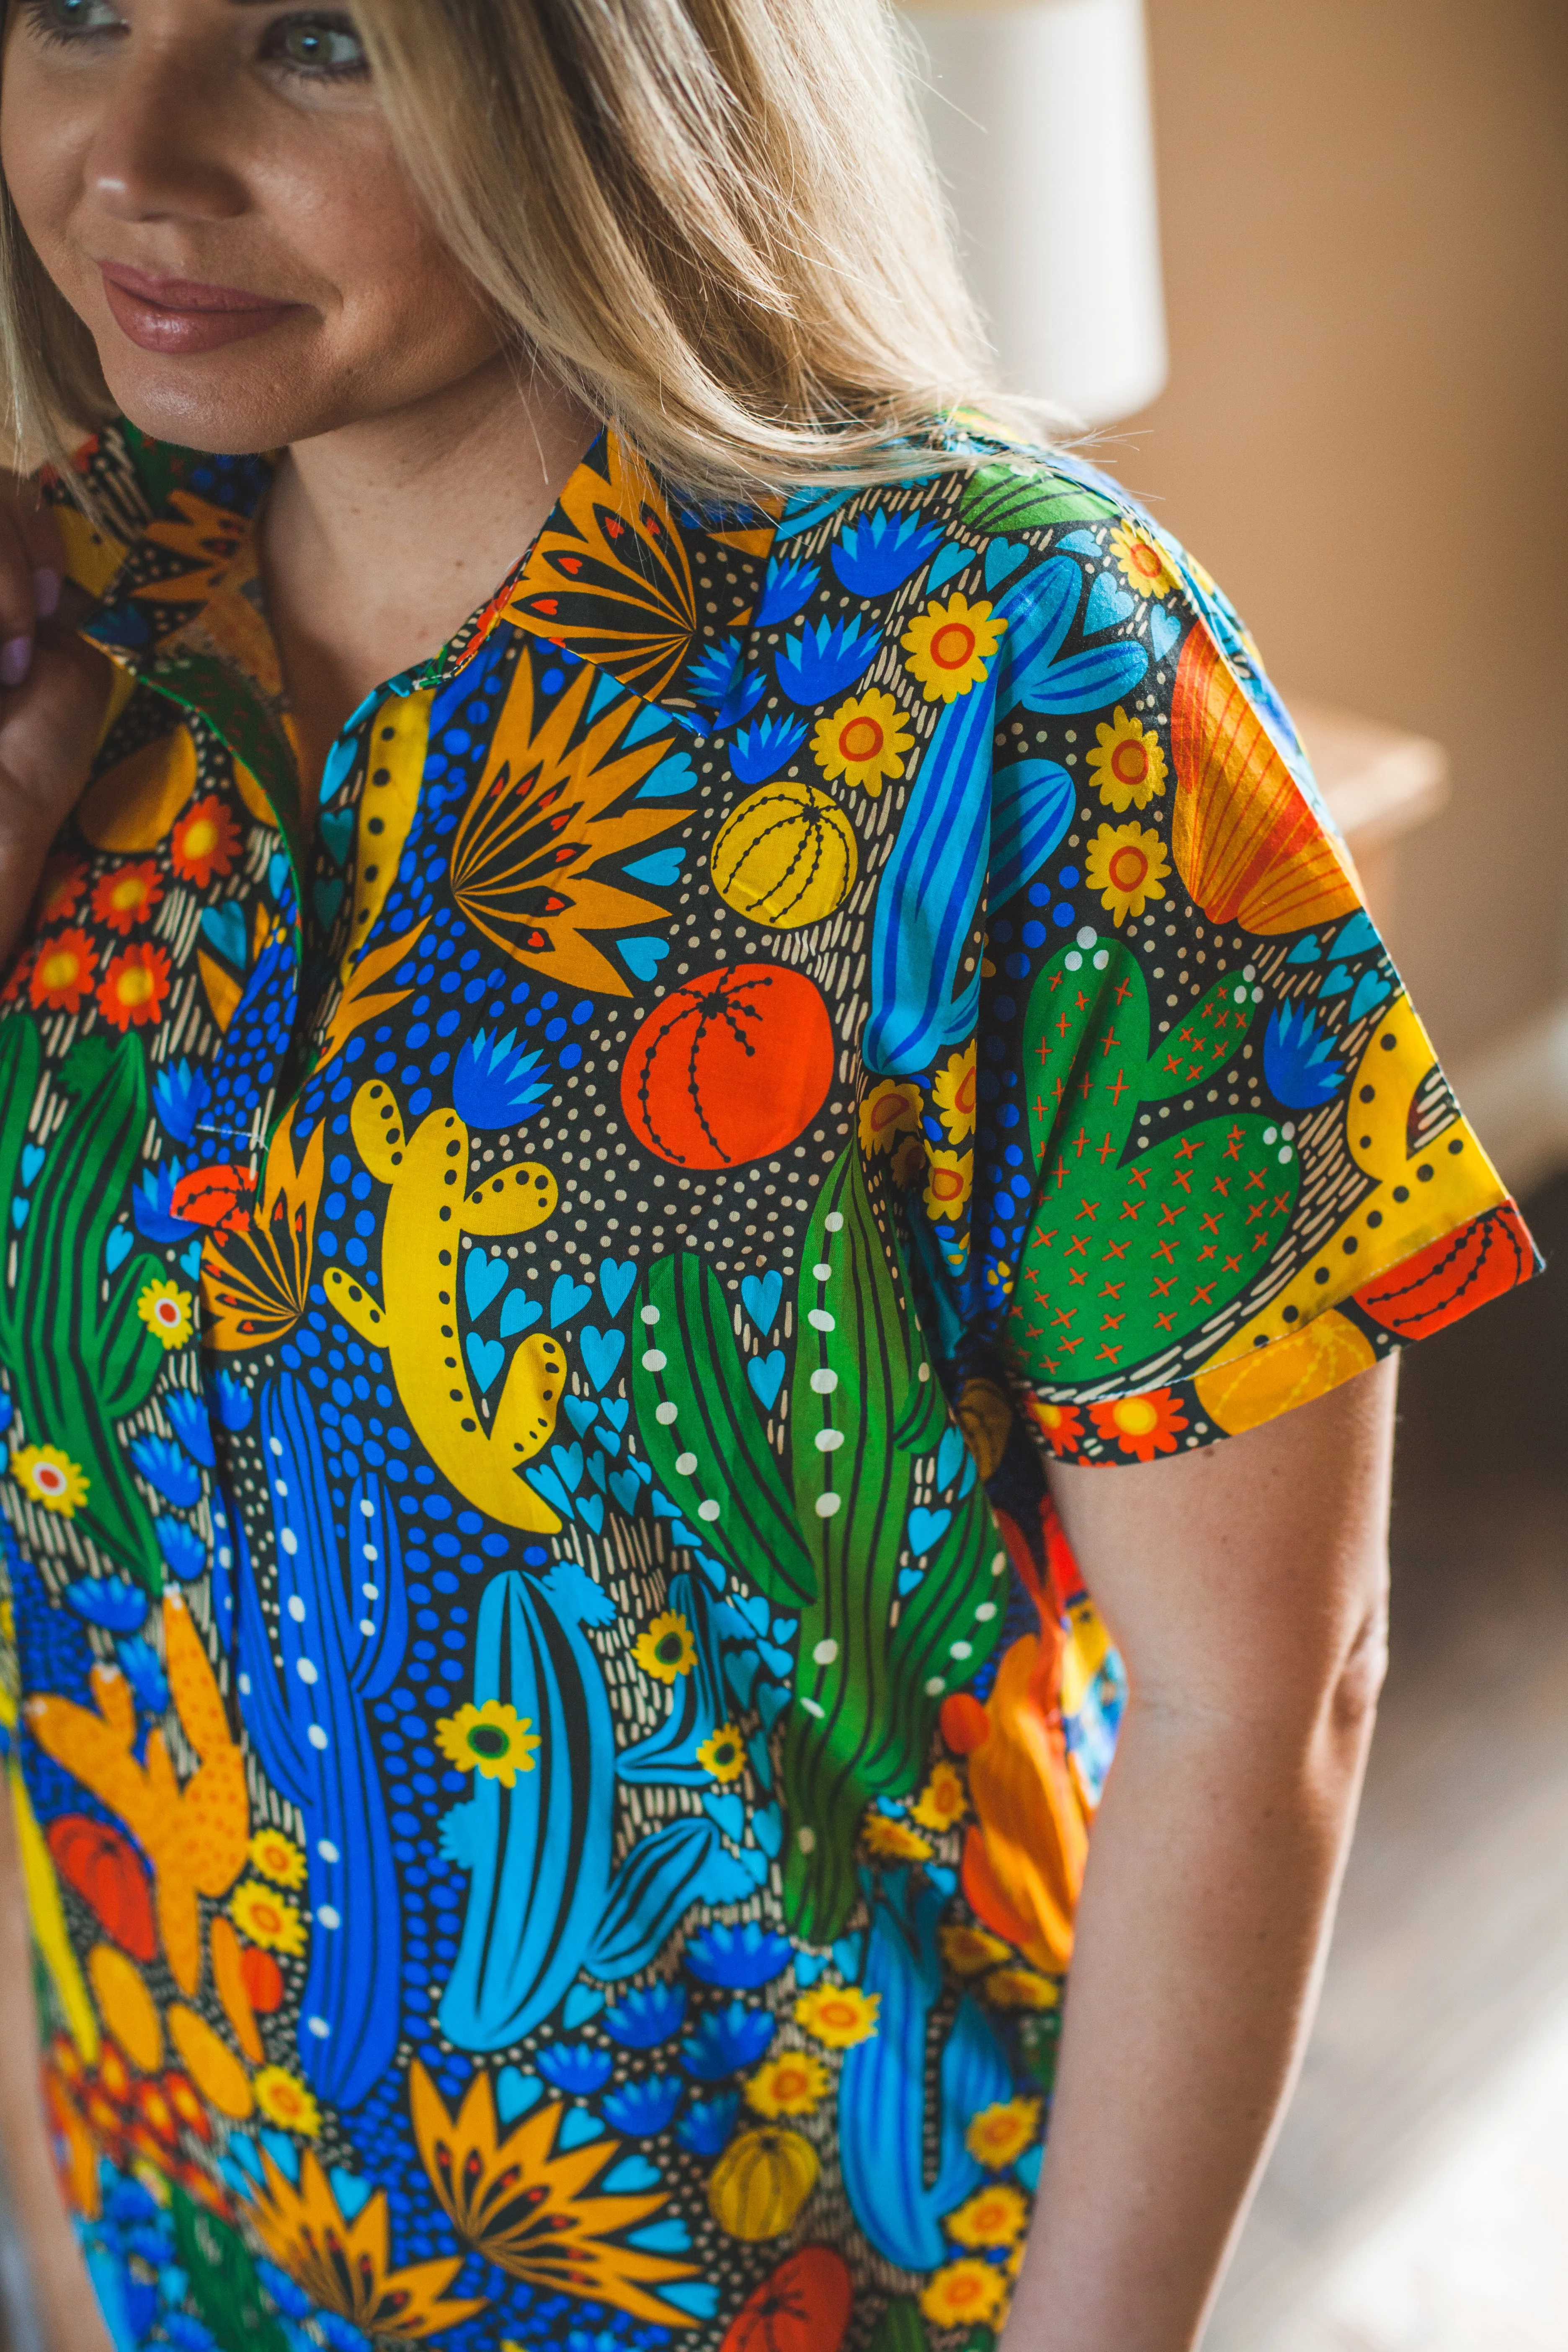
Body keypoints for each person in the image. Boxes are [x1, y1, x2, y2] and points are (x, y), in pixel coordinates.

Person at [0, 3, 1537, 2347]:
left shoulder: (1012, 670)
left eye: (321, 42)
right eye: (78, 10)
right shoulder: (55, 642)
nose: (138, 153)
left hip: (836, 2275)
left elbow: (1273, 1685)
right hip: (186, 2249)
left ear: (601, 77)